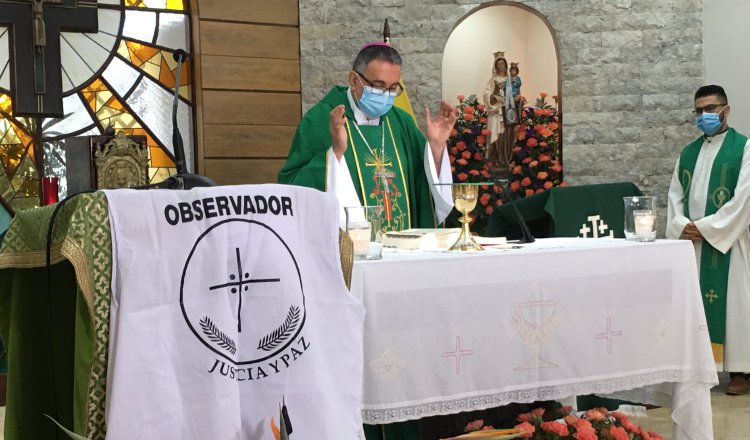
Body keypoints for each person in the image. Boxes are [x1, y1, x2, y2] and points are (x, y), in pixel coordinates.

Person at [278, 42, 456, 231]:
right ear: (354, 80)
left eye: (393, 88)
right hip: (349, 253)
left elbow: (423, 189)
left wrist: (436, 148)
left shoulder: (401, 122)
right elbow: (292, 188)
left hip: (403, 251)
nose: (386, 95)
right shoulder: (321, 119)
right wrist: (334, 154)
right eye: (378, 86)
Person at [667, 84, 750, 395]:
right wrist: (680, 225)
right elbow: (675, 195)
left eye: (710, 109)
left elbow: (745, 198)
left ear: (726, 110)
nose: (704, 116)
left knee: (736, 305)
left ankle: (740, 371)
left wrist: (709, 228)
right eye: (699, 111)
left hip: (728, 242)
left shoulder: (744, 148)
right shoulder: (688, 153)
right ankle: (702, 368)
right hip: (695, 245)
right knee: (696, 306)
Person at [482, 52, 516, 169]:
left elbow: (515, 93)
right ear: (496, 66)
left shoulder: (510, 80)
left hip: (506, 112)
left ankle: (505, 160)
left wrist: (512, 99)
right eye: (499, 63)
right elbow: (486, 93)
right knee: (495, 134)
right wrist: (494, 98)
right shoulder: (492, 80)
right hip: (495, 112)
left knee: (505, 136)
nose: (501, 65)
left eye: (503, 63)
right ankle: (495, 160)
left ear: (506, 65)